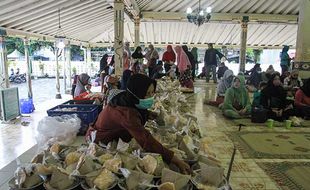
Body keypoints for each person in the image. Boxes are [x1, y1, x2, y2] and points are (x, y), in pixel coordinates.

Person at [85, 74, 191, 174]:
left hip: (114, 134)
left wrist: (149, 114)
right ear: (136, 93)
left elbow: (136, 110)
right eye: (147, 93)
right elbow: (146, 140)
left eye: (152, 93)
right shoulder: (126, 114)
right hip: (100, 142)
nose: (151, 97)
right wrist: (174, 159)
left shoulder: (126, 97)